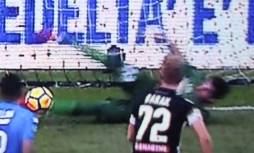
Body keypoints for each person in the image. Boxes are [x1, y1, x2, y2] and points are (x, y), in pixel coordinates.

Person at [50, 43, 229, 123]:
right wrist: (170, 44)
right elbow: (180, 61)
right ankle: (72, 42)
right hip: (148, 89)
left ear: (210, 99)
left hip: (146, 108)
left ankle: (45, 104)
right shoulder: (196, 76)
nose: (202, 86)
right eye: (206, 83)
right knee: (135, 73)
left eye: (207, 90)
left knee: (101, 108)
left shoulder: (198, 111)